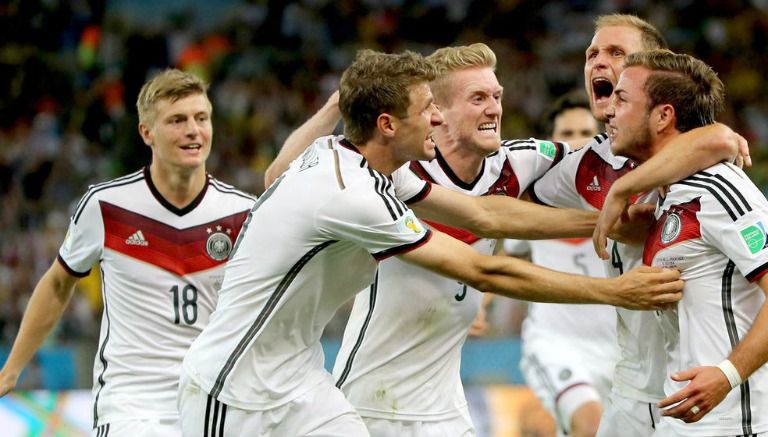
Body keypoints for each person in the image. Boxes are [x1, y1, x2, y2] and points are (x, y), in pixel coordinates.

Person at [177, 49, 682, 437]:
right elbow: (485, 271)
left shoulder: (369, 165)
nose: (435, 120)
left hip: (308, 384)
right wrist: (616, 291)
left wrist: (605, 222)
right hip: (235, 387)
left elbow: (483, 214)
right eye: (427, 110)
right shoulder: (354, 195)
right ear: (388, 124)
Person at [331, 43, 575, 437]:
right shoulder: (396, 174)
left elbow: (601, 161)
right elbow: (485, 252)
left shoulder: (517, 162)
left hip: (447, 406)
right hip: (372, 403)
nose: (494, 109)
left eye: (496, 96)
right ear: (436, 112)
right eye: (477, 98)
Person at [0, 68, 257, 436]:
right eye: (177, 120)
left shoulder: (244, 214)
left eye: (201, 118)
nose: (193, 130)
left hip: (215, 402)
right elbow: (58, 284)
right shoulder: (106, 206)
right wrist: (11, 370)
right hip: (131, 406)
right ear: (146, 132)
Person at [528, 14, 750, 436]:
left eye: (615, 53)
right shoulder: (589, 163)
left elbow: (712, 137)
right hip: (632, 385)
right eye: (592, 53)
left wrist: (622, 191)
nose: (598, 62)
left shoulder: (704, 157)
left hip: (696, 386)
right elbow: (505, 202)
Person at [607, 48, 768, 436]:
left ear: (663, 116)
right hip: (682, 417)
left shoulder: (718, 189)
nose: (608, 109)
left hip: (734, 423)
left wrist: (728, 374)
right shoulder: (661, 194)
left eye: (622, 98)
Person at [508, 90, 618, 437]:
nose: (576, 142)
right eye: (567, 134)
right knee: (589, 423)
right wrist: (482, 305)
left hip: (623, 350)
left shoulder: (621, 195)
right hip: (557, 344)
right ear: (551, 142)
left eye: (586, 134)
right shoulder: (530, 204)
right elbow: (497, 258)